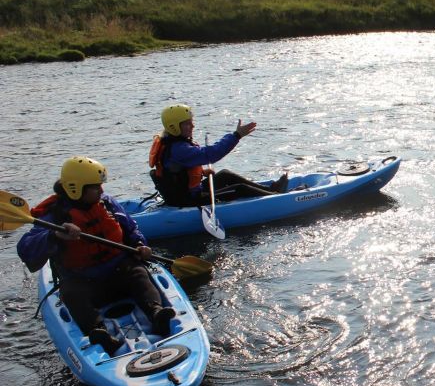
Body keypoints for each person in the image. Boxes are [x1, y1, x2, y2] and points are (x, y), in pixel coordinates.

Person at [17, 156, 176, 355]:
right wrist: (55, 235)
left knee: (138, 273)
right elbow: (25, 248)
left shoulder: (107, 203)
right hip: (84, 281)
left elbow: (130, 227)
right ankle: (98, 331)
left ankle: (156, 313)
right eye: (95, 187)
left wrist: (139, 244)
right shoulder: (54, 216)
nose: (102, 191)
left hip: (118, 273)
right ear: (76, 188)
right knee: (71, 292)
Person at [148, 104, 288, 207]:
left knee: (225, 175)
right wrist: (236, 135)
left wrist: (201, 172)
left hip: (185, 192)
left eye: (192, 122)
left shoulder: (172, 143)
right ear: (174, 127)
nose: (193, 126)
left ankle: (271, 190)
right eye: (187, 124)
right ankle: (278, 199)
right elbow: (212, 154)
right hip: (187, 200)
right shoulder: (179, 149)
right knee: (239, 189)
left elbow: (175, 170)